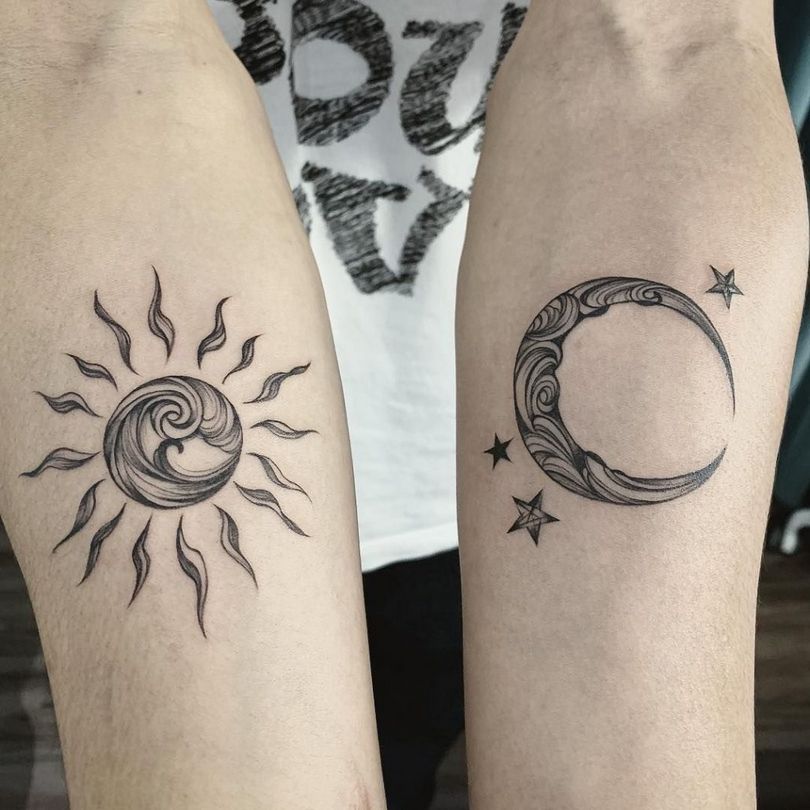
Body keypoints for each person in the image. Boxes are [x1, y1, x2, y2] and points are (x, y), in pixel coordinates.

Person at [0, 1, 806, 809]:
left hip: (478, 474)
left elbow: (661, 40)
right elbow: (77, 45)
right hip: (232, 357)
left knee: (420, 720)